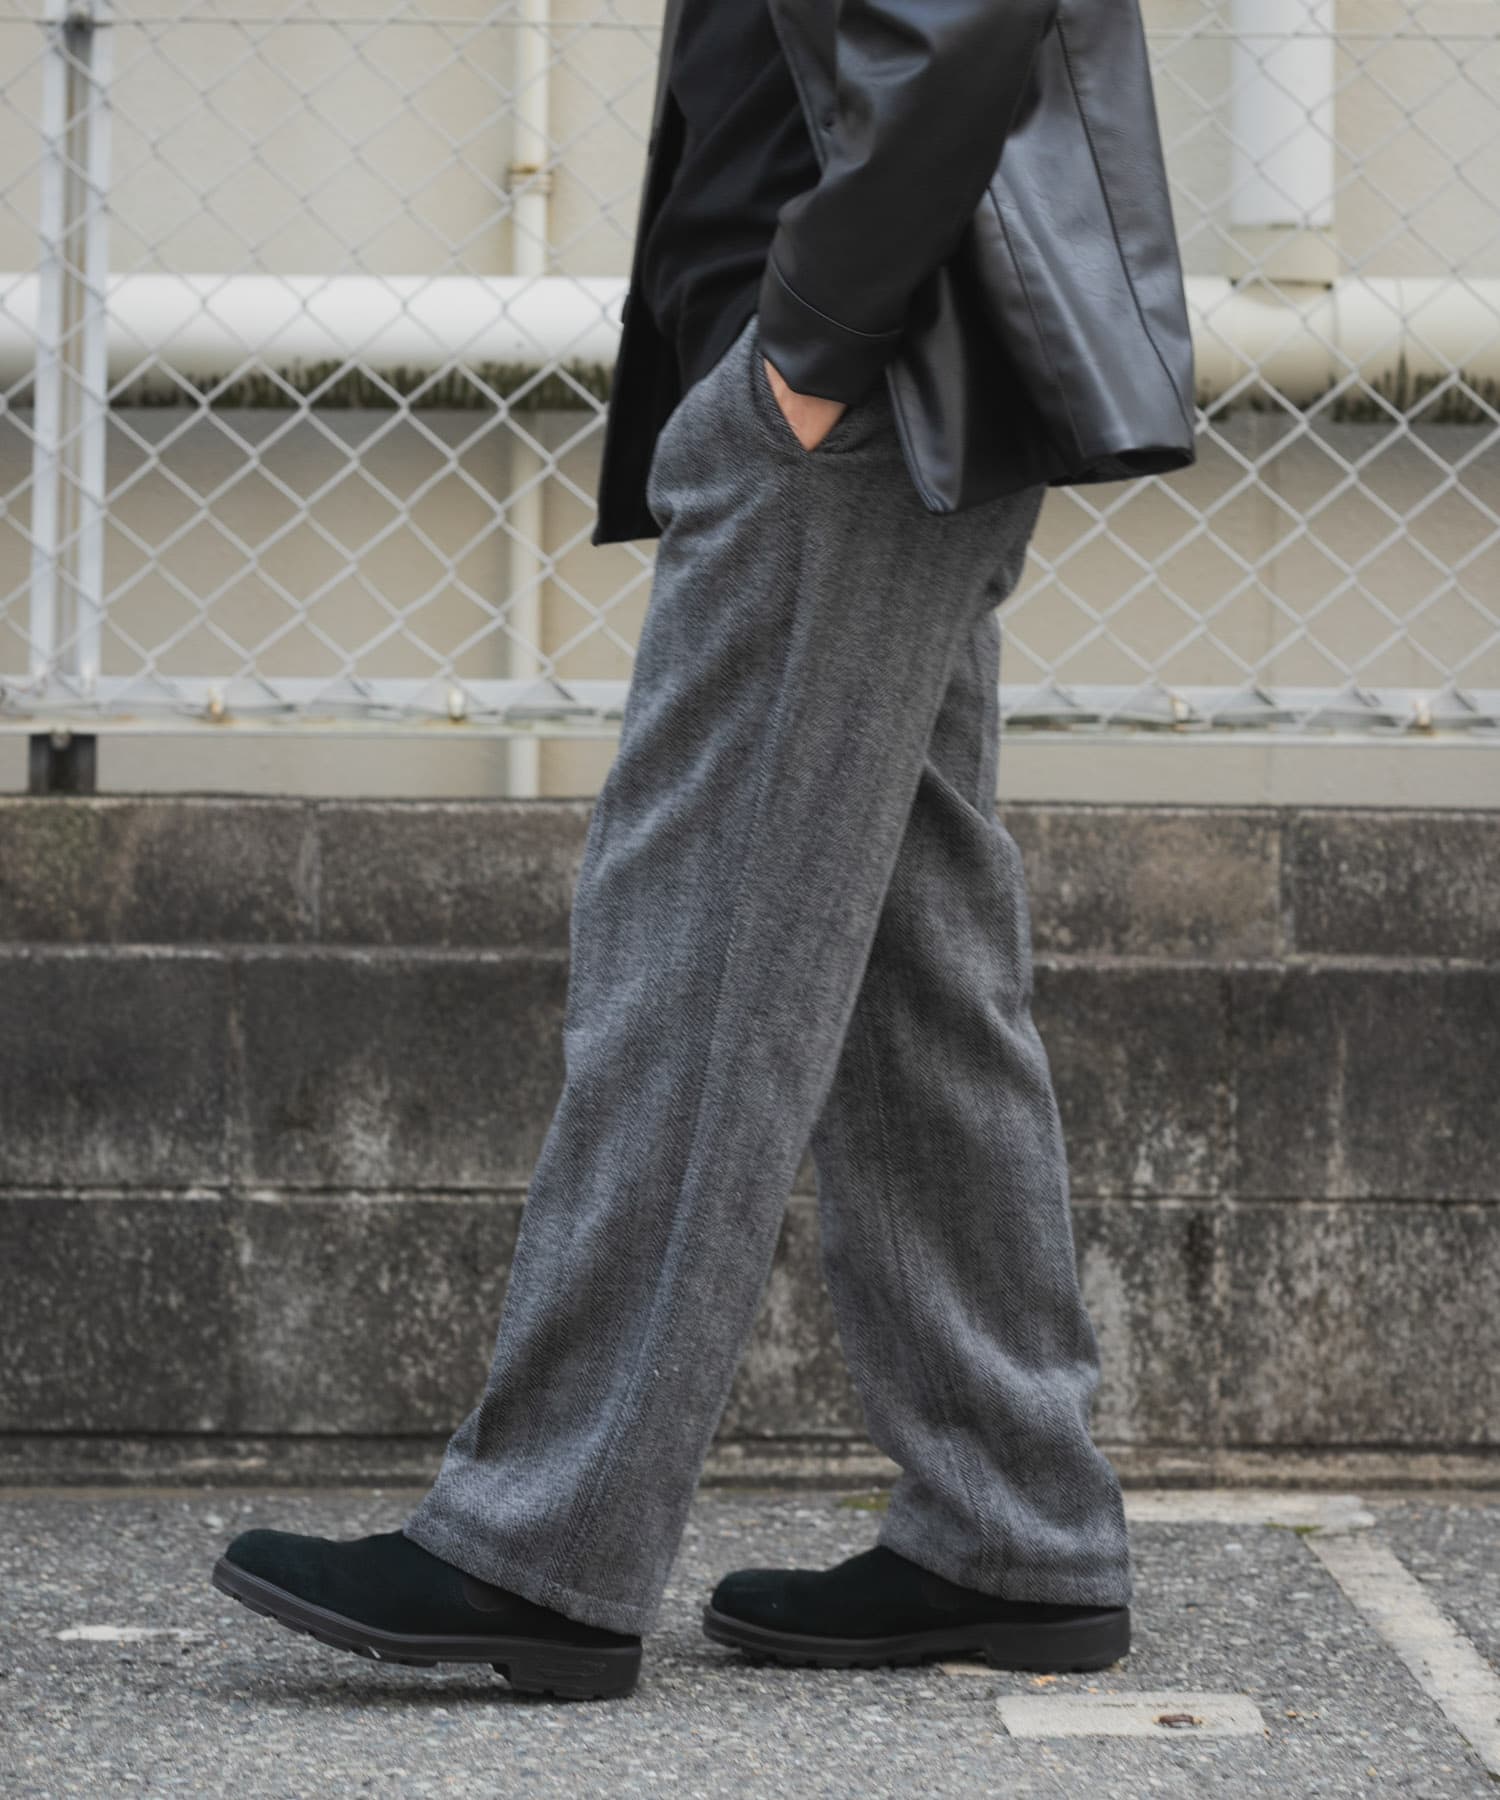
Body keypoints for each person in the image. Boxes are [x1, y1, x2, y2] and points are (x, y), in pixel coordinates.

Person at [212, 0, 1196, 1702]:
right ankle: (1013, 1526)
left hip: (858, 374)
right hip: (874, 369)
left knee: (695, 949)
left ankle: (543, 1548)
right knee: (911, 979)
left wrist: (812, 340)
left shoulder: (834, 351)